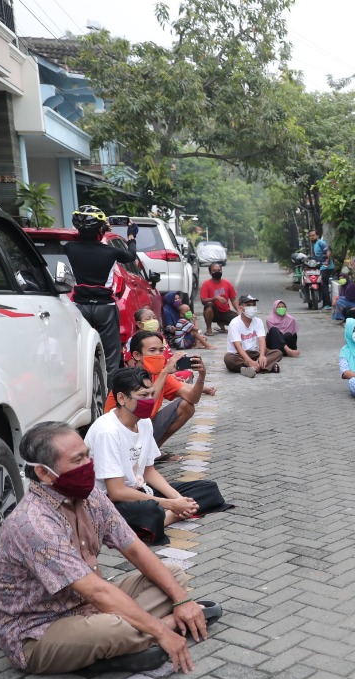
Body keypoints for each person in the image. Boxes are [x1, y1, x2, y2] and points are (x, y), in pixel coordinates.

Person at [0, 421, 221, 675]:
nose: (88, 465)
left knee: (173, 575)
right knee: (115, 629)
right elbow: (97, 591)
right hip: (39, 631)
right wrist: (161, 629)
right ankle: (163, 628)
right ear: (44, 474)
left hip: (88, 606)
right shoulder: (32, 522)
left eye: (88, 455)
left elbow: (135, 550)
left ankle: (131, 640)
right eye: (77, 460)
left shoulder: (91, 496)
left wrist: (183, 600)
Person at [86, 367, 228, 545]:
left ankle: (168, 516)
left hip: (138, 490)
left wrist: (177, 499)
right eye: (143, 395)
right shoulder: (107, 431)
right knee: (150, 510)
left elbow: (149, 471)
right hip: (107, 502)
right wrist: (170, 504)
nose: (150, 400)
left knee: (208, 488)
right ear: (122, 398)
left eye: (151, 394)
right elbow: (116, 492)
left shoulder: (143, 422)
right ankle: (167, 517)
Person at [65, 205, 137, 381]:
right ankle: (111, 392)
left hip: (80, 306)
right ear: (100, 229)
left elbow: (79, 239)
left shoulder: (70, 248)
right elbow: (131, 255)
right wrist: (131, 236)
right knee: (111, 354)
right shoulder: (110, 251)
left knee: (82, 350)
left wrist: (97, 229)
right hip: (105, 307)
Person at [118, 330, 208, 449]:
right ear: (137, 355)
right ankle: (144, 453)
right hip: (123, 434)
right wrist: (165, 371)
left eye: (161, 350)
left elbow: (192, 398)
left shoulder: (161, 375)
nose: (158, 354)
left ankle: (154, 449)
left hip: (145, 427)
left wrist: (201, 376)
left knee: (186, 406)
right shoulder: (127, 377)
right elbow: (145, 405)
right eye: (152, 350)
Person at [224, 294, 281, 376]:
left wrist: (261, 356)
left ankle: (251, 368)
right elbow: (238, 346)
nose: (252, 307)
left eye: (254, 305)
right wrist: (249, 362)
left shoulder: (258, 321)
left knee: (277, 353)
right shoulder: (234, 323)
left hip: (255, 353)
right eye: (248, 305)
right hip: (239, 355)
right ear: (240, 307)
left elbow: (261, 340)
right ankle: (265, 367)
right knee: (228, 359)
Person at [199, 263, 238, 335]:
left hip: (225, 311)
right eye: (214, 271)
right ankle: (208, 328)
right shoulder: (206, 284)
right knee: (209, 305)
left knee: (238, 320)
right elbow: (203, 301)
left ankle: (221, 322)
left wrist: (239, 310)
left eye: (219, 270)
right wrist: (215, 298)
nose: (217, 272)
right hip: (213, 312)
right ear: (210, 272)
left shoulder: (227, 283)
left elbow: (233, 299)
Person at [309, 229, 332, 308]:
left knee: (324, 284)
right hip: (320, 267)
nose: (312, 237)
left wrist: (327, 261)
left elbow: (328, 251)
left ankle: (327, 304)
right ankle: (325, 303)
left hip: (326, 267)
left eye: (313, 235)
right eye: (310, 236)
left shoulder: (321, 243)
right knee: (321, 284)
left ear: (317, 235)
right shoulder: (314, 244)